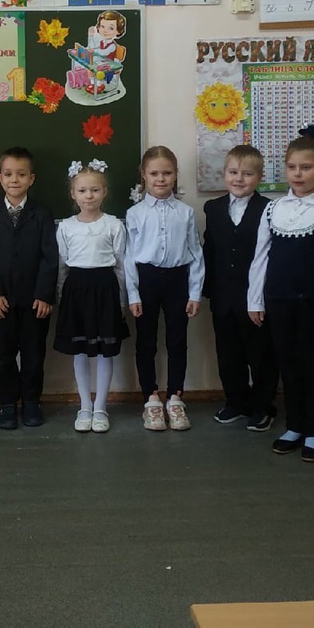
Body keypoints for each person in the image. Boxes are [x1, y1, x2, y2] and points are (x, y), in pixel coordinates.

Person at [247, 125, 314, 462]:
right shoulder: (273, 209)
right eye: (292, 167)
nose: (298, 174)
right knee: (287, 363)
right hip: (279, 300)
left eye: (306, 167)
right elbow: (261, 256)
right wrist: (255, 299)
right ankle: (295, 424)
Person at [0, 146, 59, 430]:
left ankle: (32, 401)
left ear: (31, 179)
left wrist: (45, 294)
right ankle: (7, 404)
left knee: (34, 353)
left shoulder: (42, 215)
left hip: (35, 301)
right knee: (3, 354)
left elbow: (50, 258)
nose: (15, 180)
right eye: (9, 174)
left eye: (21, 174)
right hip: (1, 301)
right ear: (0, 178)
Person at [125, 145, 204, 432]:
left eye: (167, 173)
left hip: (177, 280)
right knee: (146, 342)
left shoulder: (185, 213)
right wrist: (133, 293)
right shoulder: (134, 213)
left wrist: (194, 292)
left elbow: (195, 253)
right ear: (143, 175)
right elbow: (129, 256)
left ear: (175, 175)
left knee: (177, 340)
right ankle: (151, 398)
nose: (161, 179)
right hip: (146, 280)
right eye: (154, 173)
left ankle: (175, 397)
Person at [202, 144, 277, 433]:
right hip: (223, 296)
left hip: (255, 297)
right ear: (224, 174)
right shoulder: (213, 208)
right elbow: (210, 251)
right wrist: (207, 290)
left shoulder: (269, 208)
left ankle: (262, 406)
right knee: (228, 353)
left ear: (259, 177)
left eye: (247, 174)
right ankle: (235, 401)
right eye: (233, 172)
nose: (239, 179)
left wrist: (263, 296)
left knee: (260, 354)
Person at [53, 160, 128, 433]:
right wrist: (61, 297)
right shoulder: (66, 227)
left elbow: (121, 266)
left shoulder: (113, 225)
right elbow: (62, 266)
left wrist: (122, 300)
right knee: (80, 351)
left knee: (105, 352)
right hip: (76, 291)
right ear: (73, 194)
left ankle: (101, 407)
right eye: (82, 191)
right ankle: (85, 405)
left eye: (95, 190)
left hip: (105, 290)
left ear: (104, 192)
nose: (89, 196)